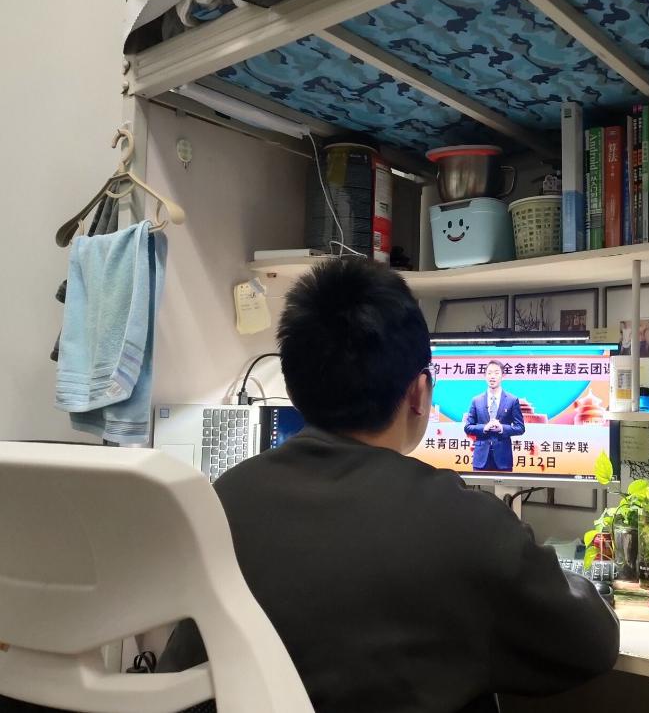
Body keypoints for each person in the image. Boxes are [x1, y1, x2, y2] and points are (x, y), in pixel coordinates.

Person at [157, 259, 618, 713]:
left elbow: (182, 670)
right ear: (418, 393)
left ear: (295, 386)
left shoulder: (224, 500)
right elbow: (593, 643)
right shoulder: (461, 521)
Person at [463, 360, 525, 471]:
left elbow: (520, 428)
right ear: (485, 376)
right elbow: (467, 427)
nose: (492, 376)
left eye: (496, 373)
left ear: (503, 376)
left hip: (503, 459)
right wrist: (484, 427)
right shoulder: (476, 400)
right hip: (481, 459)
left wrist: (502, 428)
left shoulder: (512, 400)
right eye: (489, 373)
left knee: (503, 483)